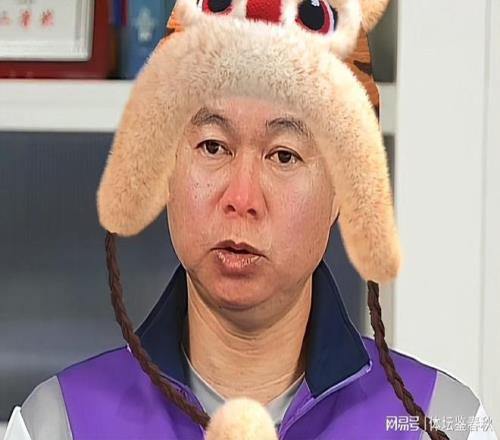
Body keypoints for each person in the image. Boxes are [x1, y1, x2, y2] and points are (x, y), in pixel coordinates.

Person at [4, 0, 497, 438]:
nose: (241, 198)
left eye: (283, 155)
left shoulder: (442, 421)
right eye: (213, 146)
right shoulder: (60, 425)